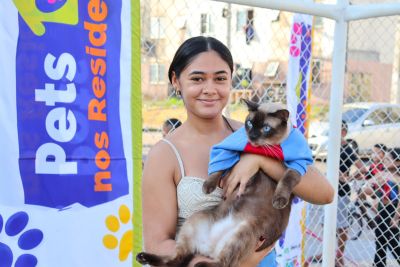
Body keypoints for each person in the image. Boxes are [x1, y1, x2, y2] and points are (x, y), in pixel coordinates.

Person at [141, 36, 334, 267]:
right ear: (176, 81)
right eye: (197, 78)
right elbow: (157, 243)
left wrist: (260, 160)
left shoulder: (256, 134)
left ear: (231, 81)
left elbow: (324, 193)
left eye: (220, 78)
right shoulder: (165, 155)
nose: (210, 89)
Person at [305, 120, 365, 267]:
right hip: (328, 188)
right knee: (326, 222)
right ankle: (328, 251)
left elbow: (363, 168)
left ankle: (339, 254)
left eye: (337, 130)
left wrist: (348, 177)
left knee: (342, 224)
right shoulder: (332, 146)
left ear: (343, 133)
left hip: (342, 191)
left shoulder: (347, 149)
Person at [359, 144, 400, 267]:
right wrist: (370, 188)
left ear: (397, 162)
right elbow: (367, 189)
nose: (384, 161)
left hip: (394, 210)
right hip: (383, 210)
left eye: (388, 159)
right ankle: (378, 264)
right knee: (380, 242)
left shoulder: (397, 177)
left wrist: (396, 217)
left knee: (393, 242)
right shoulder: (383, 174)